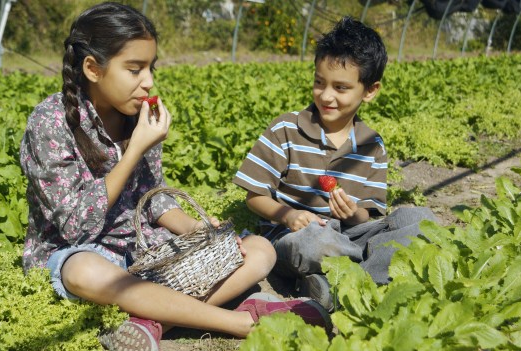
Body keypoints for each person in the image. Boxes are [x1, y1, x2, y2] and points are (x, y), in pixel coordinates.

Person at [19, 2, 330, 350]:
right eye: (134, 69)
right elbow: (76, 227)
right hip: (80, 254)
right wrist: (134, 149)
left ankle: (153, 321)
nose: (148, 82)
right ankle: (241, 321)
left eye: (150, 68)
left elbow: (155, 197)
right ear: (93, 68)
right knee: (83, 272)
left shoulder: (139, 114)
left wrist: (197, 230)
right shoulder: (50, 123)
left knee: (258, 250)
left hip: (142, 249)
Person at [233, 17, 438, 312]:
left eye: (341, 88)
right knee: (316, 242)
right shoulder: (286, 129)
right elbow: (254, 196)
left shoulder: (371, 144)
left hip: (346, 235)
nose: (326, 95)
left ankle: (332, 284)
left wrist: (353, 212)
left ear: (369, 91)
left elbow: (365, 216)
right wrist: (289, 215)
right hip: (293, 237)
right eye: (319, 82)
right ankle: (368, 273)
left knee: (419, 220)